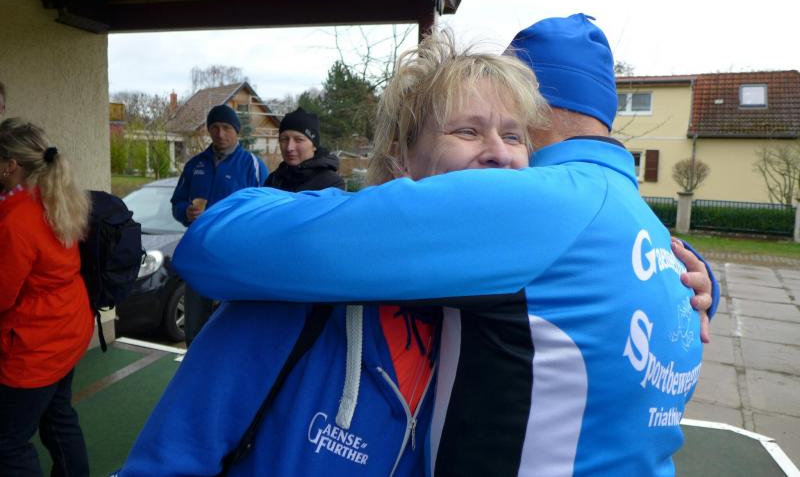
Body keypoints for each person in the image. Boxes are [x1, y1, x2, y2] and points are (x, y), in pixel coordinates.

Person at [121, 25, 715, 476]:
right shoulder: (290, 304)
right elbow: (171, 456)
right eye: (467, 130)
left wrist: (694, 273)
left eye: (515, 136)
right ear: (402, 159)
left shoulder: (482, 326)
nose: (499, 152)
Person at [0, 118, 93, 477]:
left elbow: (3, 295)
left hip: (37, 343)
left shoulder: (17, 219)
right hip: (68, 327)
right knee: (58, 416)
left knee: (7, 442)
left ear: (10, 165)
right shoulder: (54, 196)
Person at [170, 104, 268, 346]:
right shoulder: (195, 165)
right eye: (214, 127)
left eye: (226, 127)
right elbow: (177, 202)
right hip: (199, 253)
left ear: (237, 131)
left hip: (234, 256)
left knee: (230, 323)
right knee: (195, 322)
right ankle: (193, 361)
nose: (220, 134)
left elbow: (267, 211)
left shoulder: (252, 165)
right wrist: (186, 212)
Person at [266, 107, 345, 191]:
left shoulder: (331, 184)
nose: (289, 147)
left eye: (299, 140)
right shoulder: (273, 180)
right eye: (284, 139)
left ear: (314, 145)